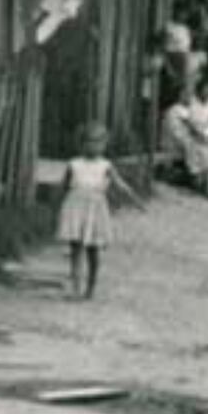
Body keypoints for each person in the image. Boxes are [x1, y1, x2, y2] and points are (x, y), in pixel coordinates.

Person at [56, 122, 141, 298]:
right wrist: (60, 207)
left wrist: (134, 199)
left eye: (98, 142)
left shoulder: (105, 165)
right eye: (89, 141)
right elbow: (63, 187)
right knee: (76, 248)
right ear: (81, 144)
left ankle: (90, 287)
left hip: (95, 209)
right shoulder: (74, 164)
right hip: (76, 208)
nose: (94, 146)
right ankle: (76, 287)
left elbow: (120, 184)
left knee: (93, 250)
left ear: (105, 144)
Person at [182, 80, 208, 198]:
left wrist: (206, 134)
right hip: (193, 137)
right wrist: (198, 133)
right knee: (206, 159)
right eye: (205, 90)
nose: (207, 93)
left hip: (206, 137)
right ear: (199, 91)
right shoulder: (192, 104)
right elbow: (189, 122)